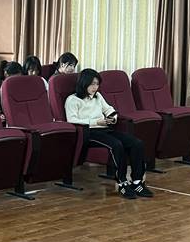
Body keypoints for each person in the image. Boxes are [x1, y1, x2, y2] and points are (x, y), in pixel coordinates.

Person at [65, 69, 153, 200]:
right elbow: (72, 120)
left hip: (104, 128)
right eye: (92, 84)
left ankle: (137, 182)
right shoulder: (73, 100)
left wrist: (113, 117)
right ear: (84, 83)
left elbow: (109, 109)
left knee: (137, 143)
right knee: (116, 145)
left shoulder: (98, 97)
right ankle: (122, 182)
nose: (95, 87)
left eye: (97, 84)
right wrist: (95, 122)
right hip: (88, 133)